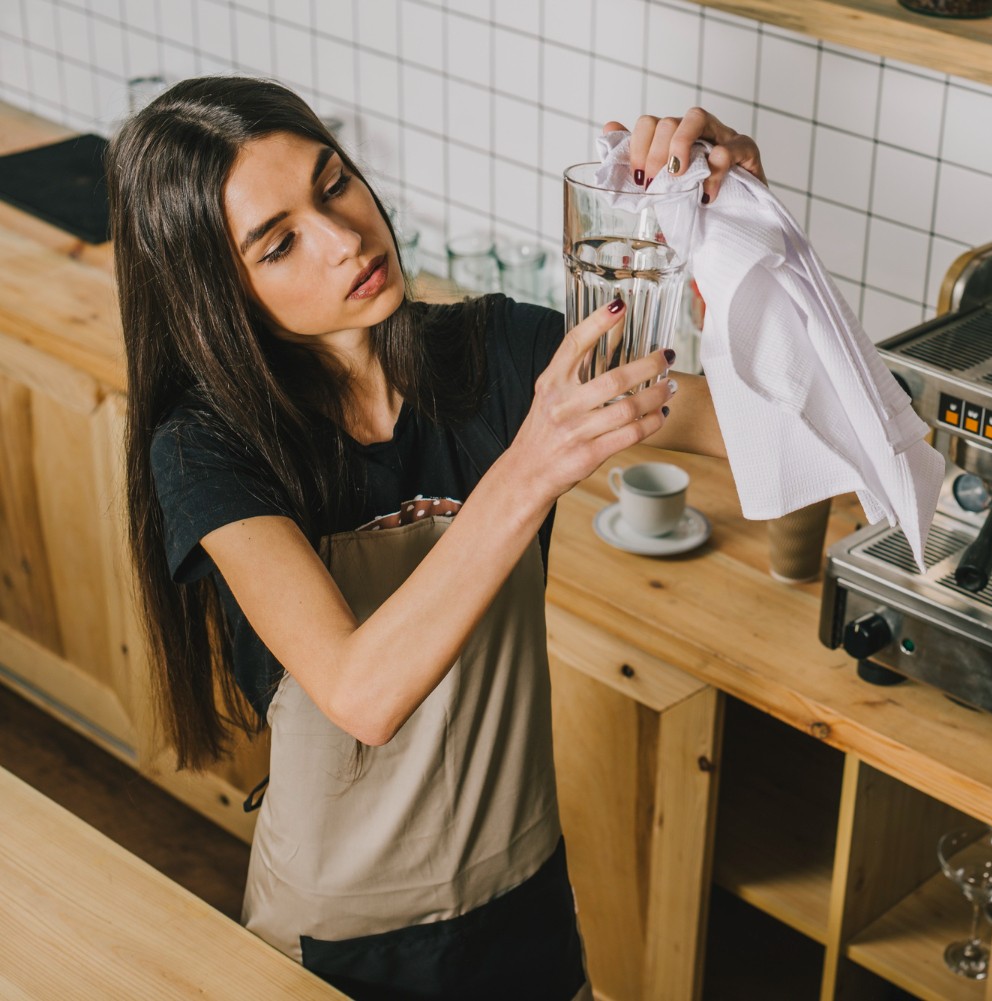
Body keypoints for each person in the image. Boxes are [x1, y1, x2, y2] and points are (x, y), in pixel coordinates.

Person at [107, 76, 765, 1000]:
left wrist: (739, 247)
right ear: (223, 294)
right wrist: (531, 465)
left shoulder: (492, 353)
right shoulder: (209, 448)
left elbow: (762, 432)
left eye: (333, 185)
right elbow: (360, 691)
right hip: (343, 937)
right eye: (281, 241)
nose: (344, 239)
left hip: (526, 896)